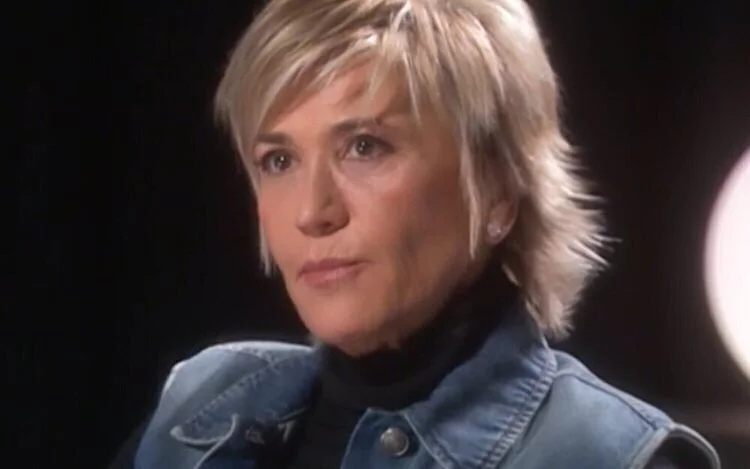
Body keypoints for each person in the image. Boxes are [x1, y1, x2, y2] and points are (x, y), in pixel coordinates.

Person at [110, 0, 722, 468]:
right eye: (279, 160)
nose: (312, 212)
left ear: (498, 188)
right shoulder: (200, 404)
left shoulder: (601, 455)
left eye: (364, 146)